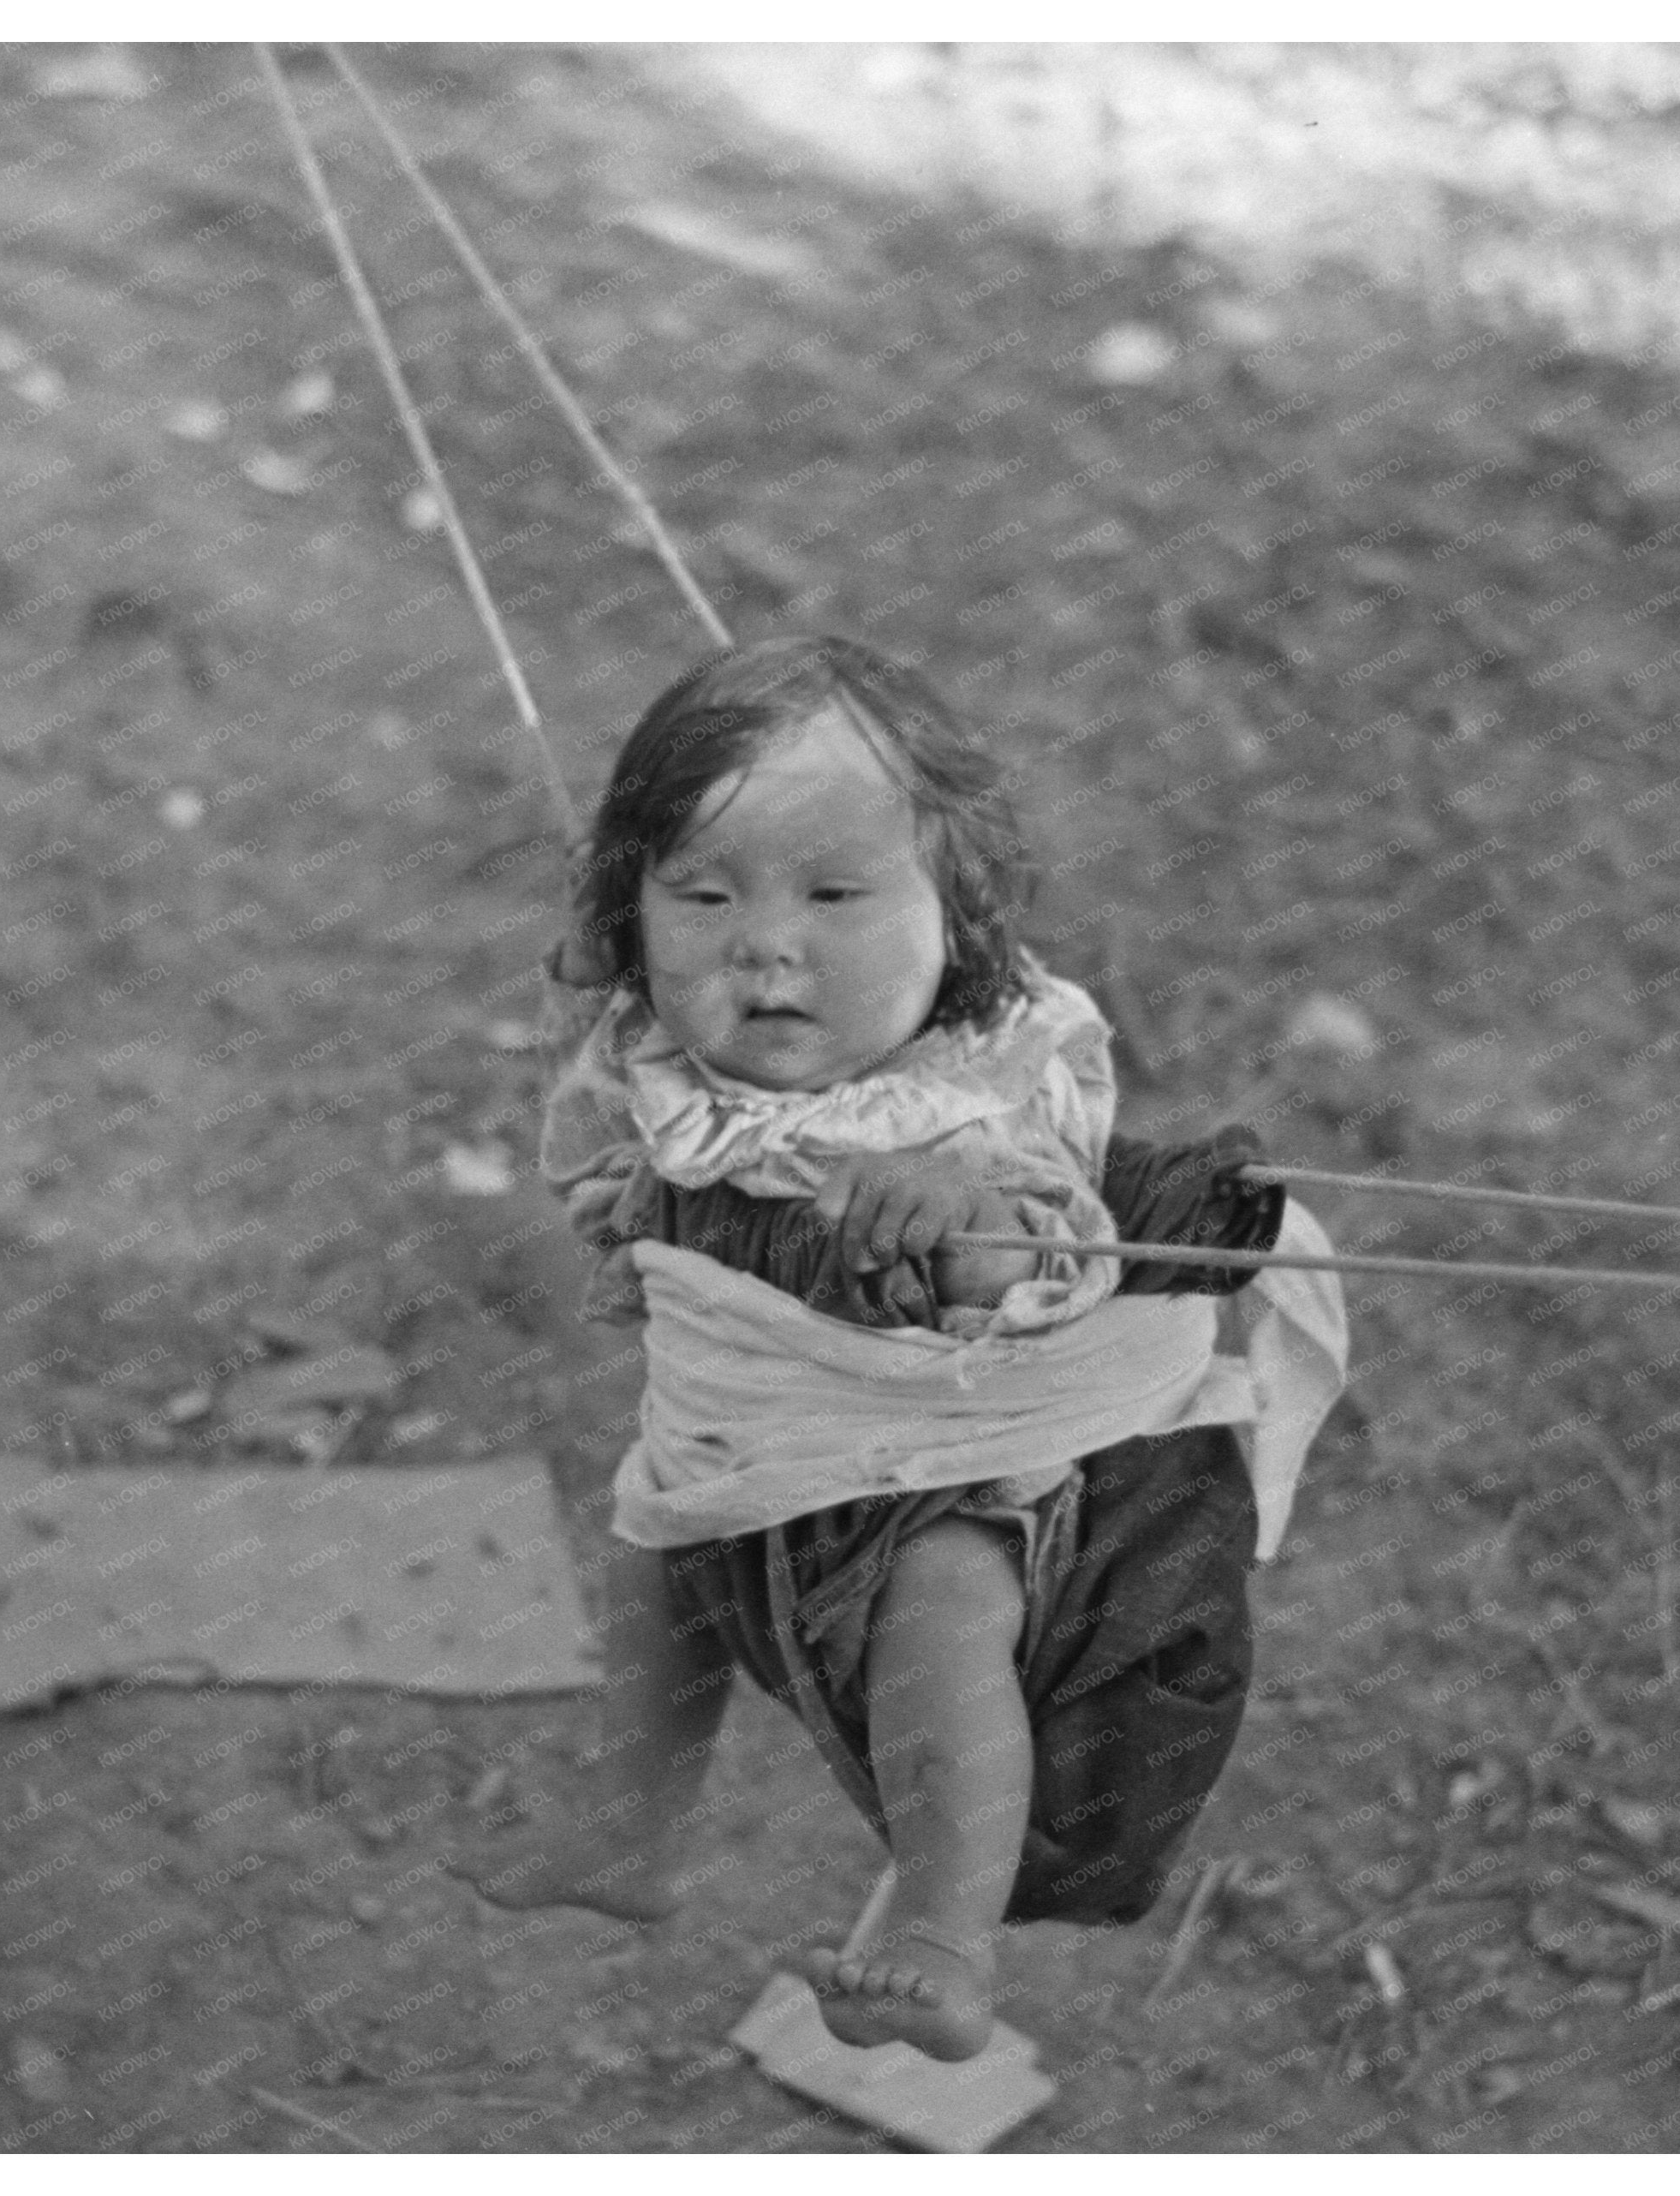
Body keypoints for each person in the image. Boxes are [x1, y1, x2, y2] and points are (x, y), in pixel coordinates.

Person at [454, 635, 1346, 2062]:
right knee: (655, 1560)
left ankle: (939, 1930)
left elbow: (1042, 1247)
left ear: (956, 914)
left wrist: (965, 1220)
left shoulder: (980, 1083)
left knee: (940, 1615)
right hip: (747, 1452)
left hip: (962, 1463)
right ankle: (632, 1831)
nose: (764, 944)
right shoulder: (663, 1069)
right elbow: (621, 1200)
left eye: (835, 894)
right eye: (700, 894)